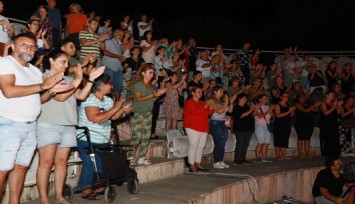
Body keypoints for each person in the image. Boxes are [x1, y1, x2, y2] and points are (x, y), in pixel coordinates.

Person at [0, 32, 71, 203]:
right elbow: (8, 91)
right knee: (2, 171)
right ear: (13, 46)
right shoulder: (5, 63)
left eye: (32, 46)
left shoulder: (33, 70)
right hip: (9, 124)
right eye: (24, 45)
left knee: (21, 168)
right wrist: (43, 85)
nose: (29, 49)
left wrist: (51, 90)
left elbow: (38, 99)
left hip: (31, 126)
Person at [36, 50, 104, 204]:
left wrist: (91, 80)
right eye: (63, 62)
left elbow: (81, 96)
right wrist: (78, 78)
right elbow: (60, 97)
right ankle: (43, 200)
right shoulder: (44, 77)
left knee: (61, 162)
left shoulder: (68, 79)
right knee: (46, 163)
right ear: (52, 61)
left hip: (67, 124)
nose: (67, 65)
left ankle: (59, 197)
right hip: (48, 123)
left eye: (67, 62)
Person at [76, 74, 132, 200]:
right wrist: (117, 107)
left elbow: (112, 117)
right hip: (87, 138)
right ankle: (85, 189)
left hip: (102, 139)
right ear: (101, 85)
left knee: (101, 164)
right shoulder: (89, 98)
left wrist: (123, 110)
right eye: (109, 84)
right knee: (90, 164)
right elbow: (95, 118)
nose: (112, 86)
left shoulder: (108, 100)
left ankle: (98, 185)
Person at [127, 64, 166, 165]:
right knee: (137, 136)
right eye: (150, 73)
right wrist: (153, 94)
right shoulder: (138, 85)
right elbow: (138, 99)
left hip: (148, 113)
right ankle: (130, 156)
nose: (152, 75)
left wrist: (157, 95)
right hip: (138, 113)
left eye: (153, 73)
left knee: (146, 136)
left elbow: (152, 99)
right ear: (143, 73)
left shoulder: (150, 85)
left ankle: (142, 157)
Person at [184, 86, 215, 172]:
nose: (200, 93)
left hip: (203, 126)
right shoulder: (189, 102)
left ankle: (198, 163)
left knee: (201, 146)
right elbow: (194, 112)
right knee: (193, 146)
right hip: (192, 126)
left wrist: (211, 106)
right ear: (193, 93)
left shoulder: (202, 102)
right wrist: (206, 105)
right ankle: (191, 164)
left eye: (201, 92)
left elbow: (208, 113)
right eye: (198, 92)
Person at [210, 86, 235, 168]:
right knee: (218, 142)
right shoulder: (212, 101)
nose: (222, 93)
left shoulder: (222, 101)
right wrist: (226, 102)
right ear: (215, 92)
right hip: (215, 123)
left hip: (223, 122)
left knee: (223, 142)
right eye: (220, 91)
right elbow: (220, 111)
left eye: (222, 92)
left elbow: (230, 111)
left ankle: (220, 160)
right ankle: (216, 162)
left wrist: (230, 102)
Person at [233, 93, 258, 164]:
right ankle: (237, 159)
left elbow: (252, 115)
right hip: (240, 129)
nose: (245, 100)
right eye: (244, 98)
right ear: (239, 99)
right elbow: (241, 116)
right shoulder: (236, 107)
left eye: (246, 98)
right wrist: (250, 110)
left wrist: (255, 110)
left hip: (249, 129)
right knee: (240, 144)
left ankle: (242, 158)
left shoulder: (246, 106)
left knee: (245, 145)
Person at [294, 93, 320, 159]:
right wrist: (314, 106)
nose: (303, 98)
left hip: (309, 122)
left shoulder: (308, 104)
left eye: (304, 97)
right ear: (298, 98)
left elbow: (315, 110)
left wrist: (316, 105)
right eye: (301, 97)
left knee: (307, 138)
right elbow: (304, 110)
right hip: (300, 123)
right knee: (301, 138)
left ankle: (307, 152)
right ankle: (300, 152)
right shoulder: (297, 104)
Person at [274, 92, 296, 160]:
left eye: (287, 96)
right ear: (281, 97)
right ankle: (278, 155)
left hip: (286, 124)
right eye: (285, 96)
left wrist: (292, 111)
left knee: (285, 139)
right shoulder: (277, 105)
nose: (286, 98)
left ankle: (283, 155)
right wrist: (289, 111)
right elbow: (278, 115)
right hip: (279, 124)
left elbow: (291, 116)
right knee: (278, 140)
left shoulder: (288, 105)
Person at [254, 94, 275, 163]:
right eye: (265, 98)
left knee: (266, 142)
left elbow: (271, 116)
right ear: (260, 99)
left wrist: (271, 112)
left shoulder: (267, 106)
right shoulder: (257, 106)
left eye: (267, 98)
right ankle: (257, 157)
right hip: (259, 126)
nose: (266, 100)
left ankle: (264, 157)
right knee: (260, 142)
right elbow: (260, 116)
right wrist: (269, 110)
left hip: (267, 126)